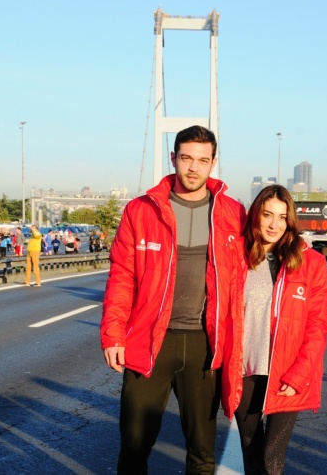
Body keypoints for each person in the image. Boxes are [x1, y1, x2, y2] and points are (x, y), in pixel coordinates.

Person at [100, 125, 246, 474]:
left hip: (205, 347)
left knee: (202, 453)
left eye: (202, 160)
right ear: (173, 158)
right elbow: (122, 276)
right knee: (134, 447)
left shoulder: (233, 213)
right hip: (149, 341)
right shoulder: (141, 210)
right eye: (186, 158)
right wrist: (113, 334)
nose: (193, 167)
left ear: (213, 163)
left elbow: (255, 268)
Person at [220, 185, 327, 475]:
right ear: (256, 216)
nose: (274, 224)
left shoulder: (311, 263)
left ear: (290, 220)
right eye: (267, 215)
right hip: (244, 371)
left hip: (287, 372)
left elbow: (318, 325)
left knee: (272, 459)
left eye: (282, 217)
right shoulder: (236, 257)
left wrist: (299, 374)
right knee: (251, 453)